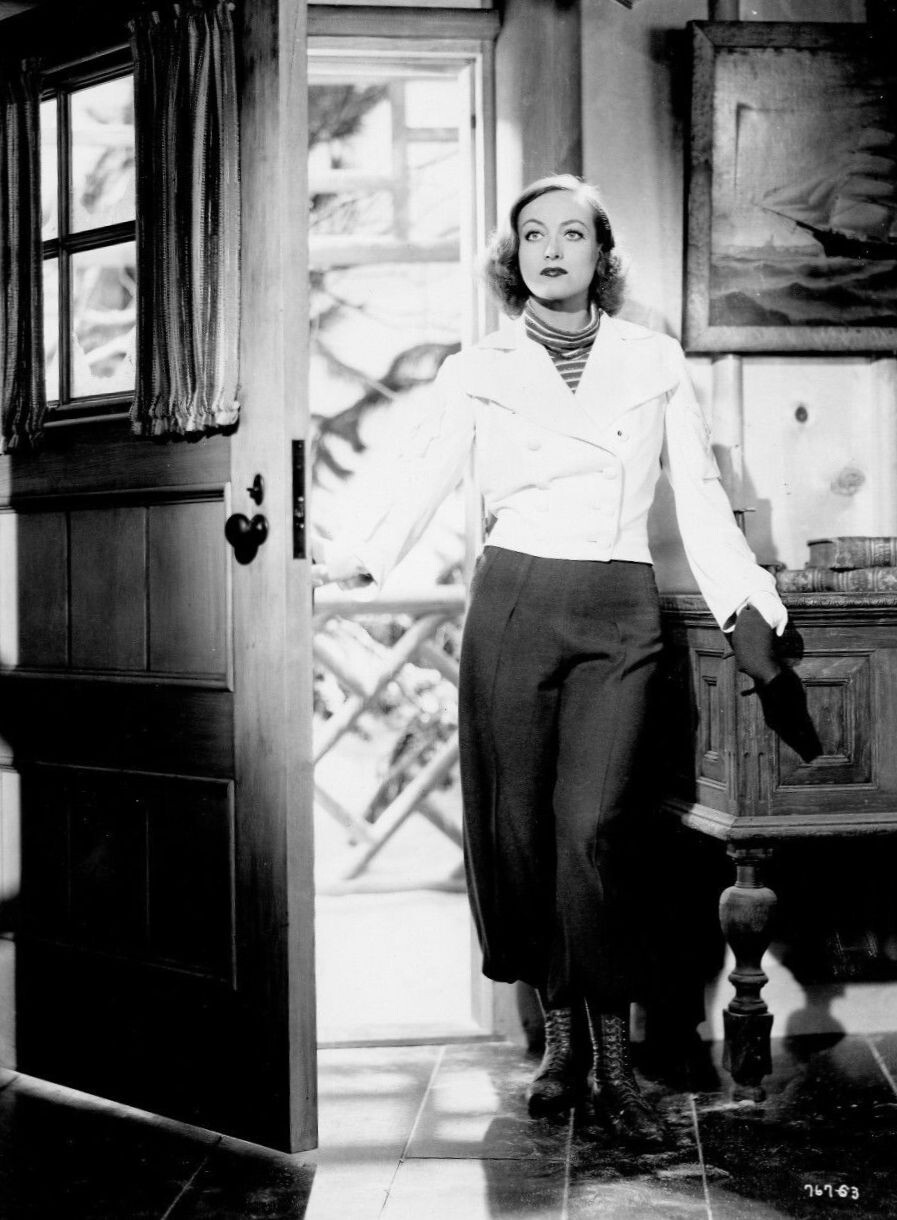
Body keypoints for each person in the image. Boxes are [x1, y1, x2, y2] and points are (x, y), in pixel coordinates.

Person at [312, 173, 788, 1149]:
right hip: (513, 602)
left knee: (594, 831)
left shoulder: (652, 360)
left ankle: (615, 1065)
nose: (551, 250)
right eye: (533, 235)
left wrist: (747, 602)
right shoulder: (476, 367)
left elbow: (699, 493)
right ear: (514, 256)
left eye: (571, 233)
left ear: (599, 254)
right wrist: (350, 559)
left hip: (617, 603)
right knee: (519, 830)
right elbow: (419, 475)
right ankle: (562, 1045)